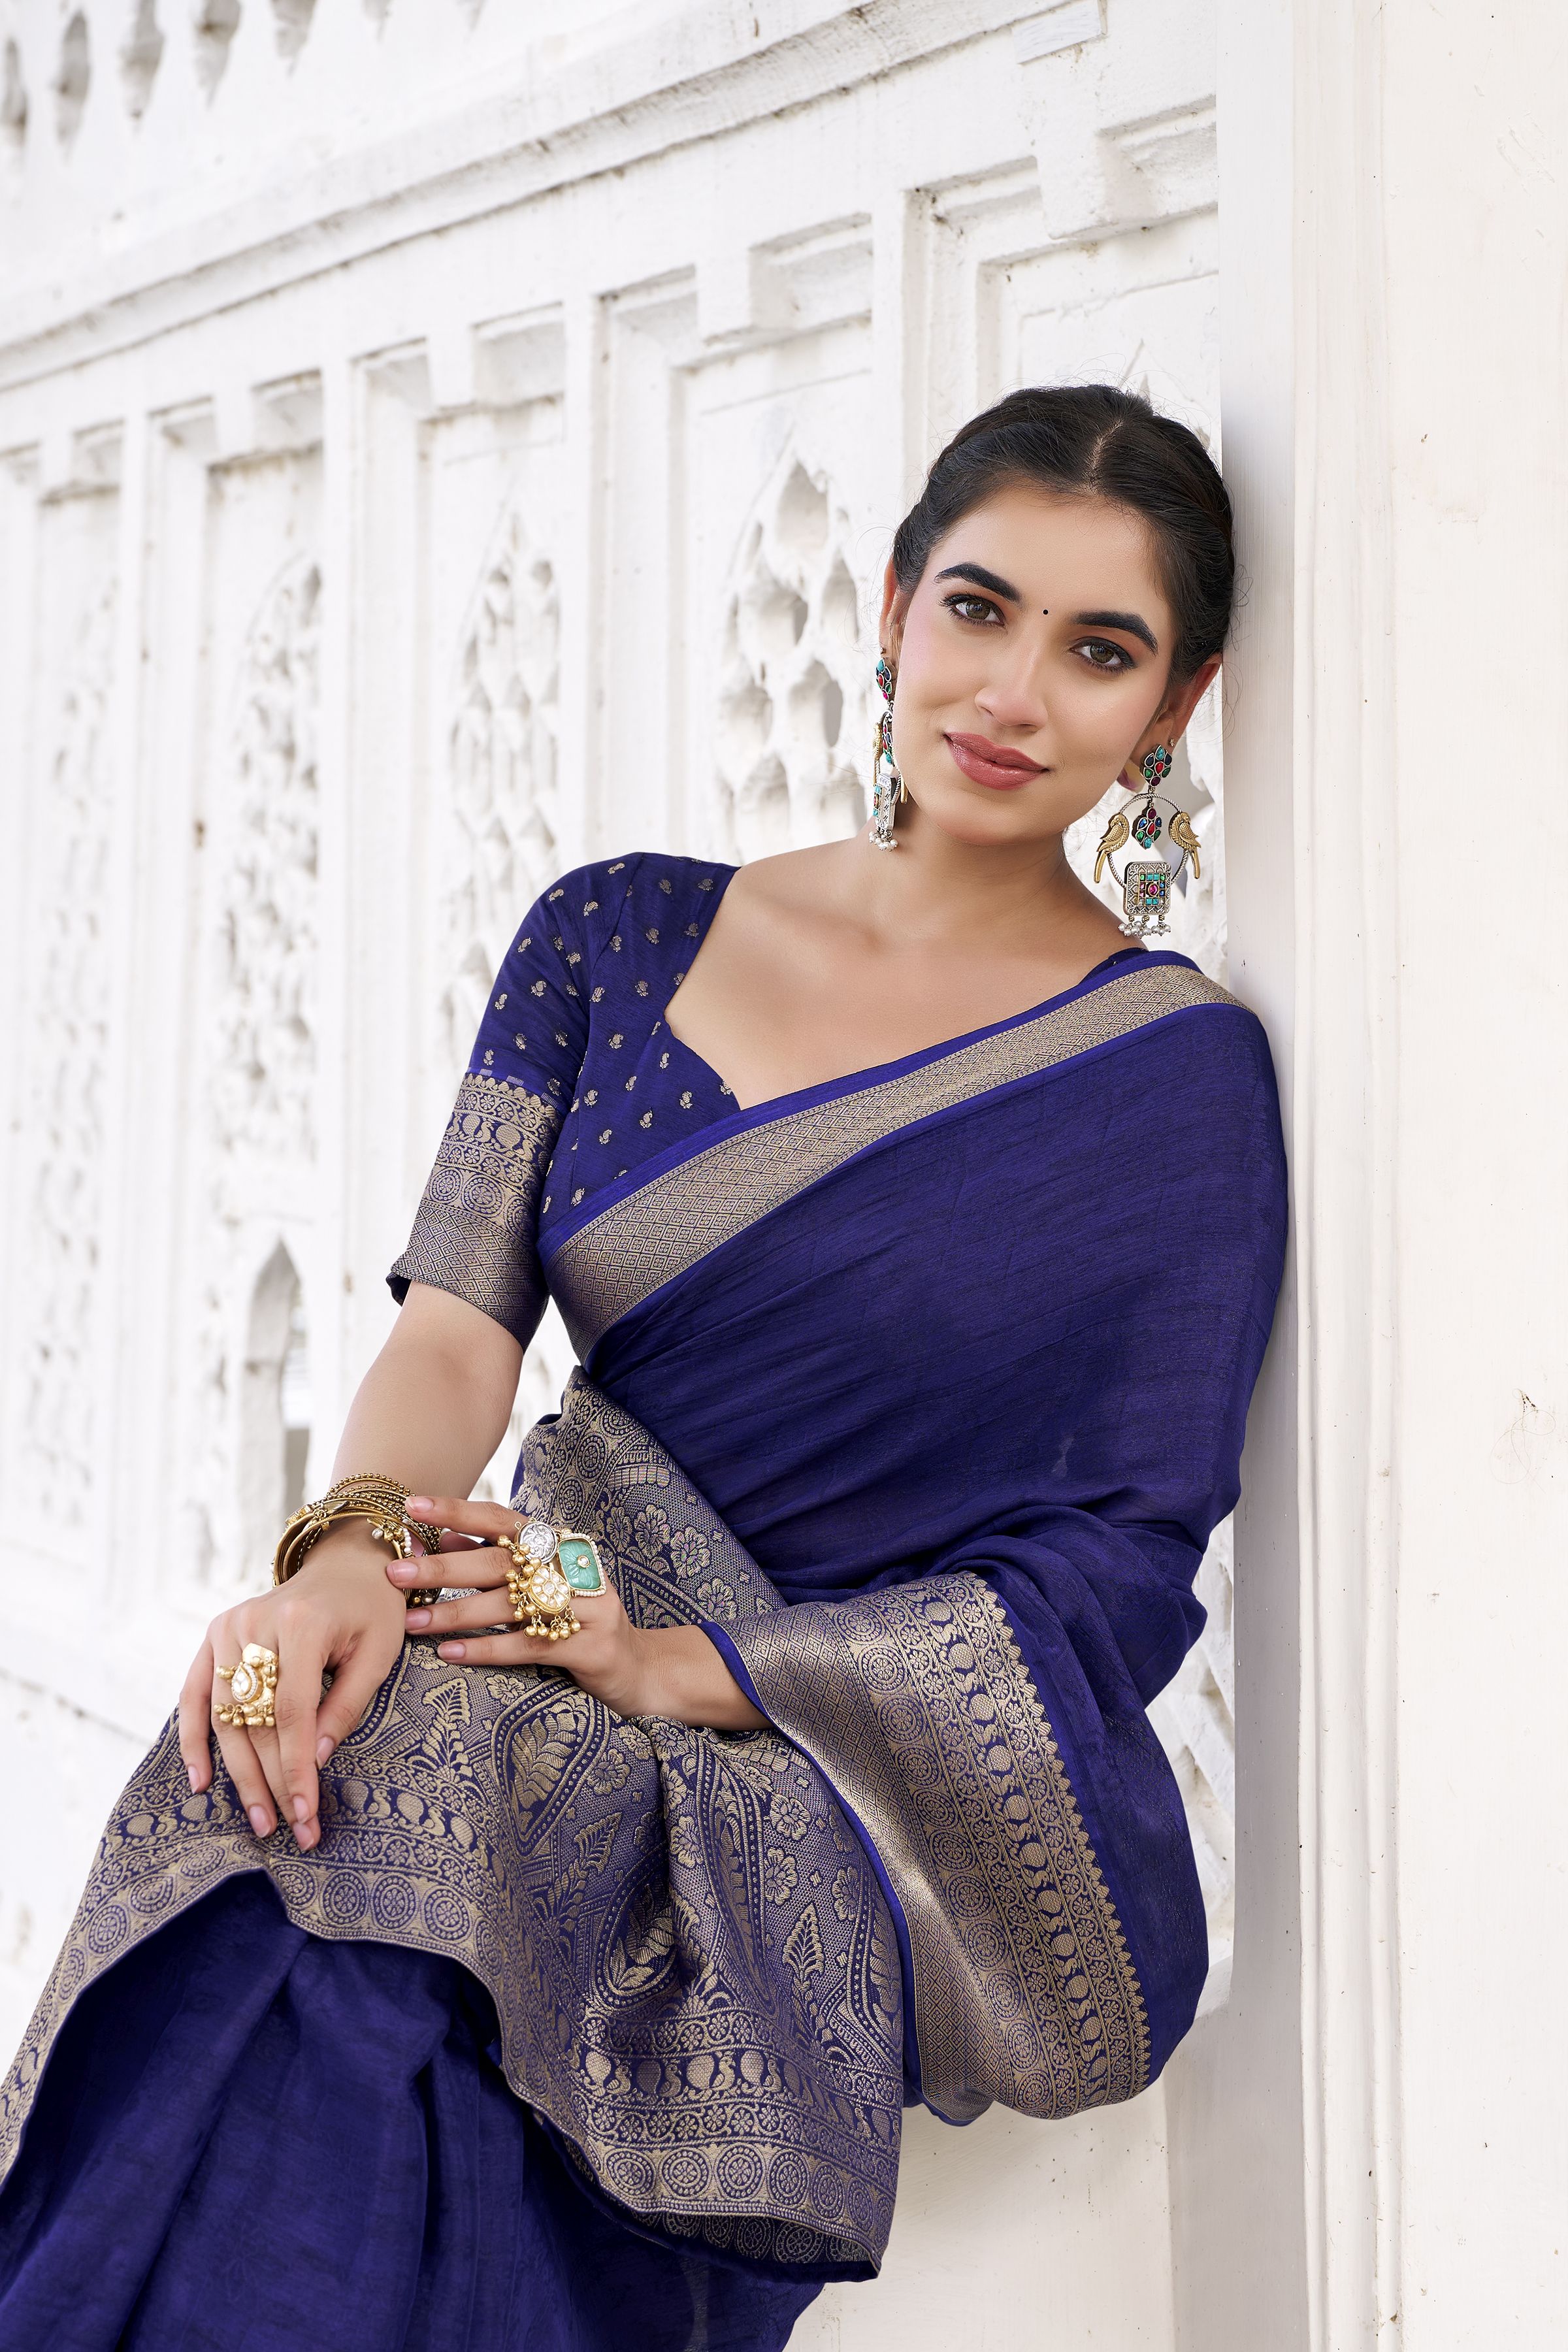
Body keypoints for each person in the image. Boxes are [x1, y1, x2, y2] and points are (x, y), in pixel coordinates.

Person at [0, 385, 1286, 2352]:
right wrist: (342, 1560)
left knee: (416, 1804)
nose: (1014, 693)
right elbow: (454, 1328)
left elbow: (1121, 1559)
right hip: (542, 1599)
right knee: (285, 1743)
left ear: (1175, 706)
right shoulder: (614, 932)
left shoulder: (1166, 1080)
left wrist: (695, 1668)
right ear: (891, 605)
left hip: (829, 1743)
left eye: (1099, 651)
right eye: (978, 609)